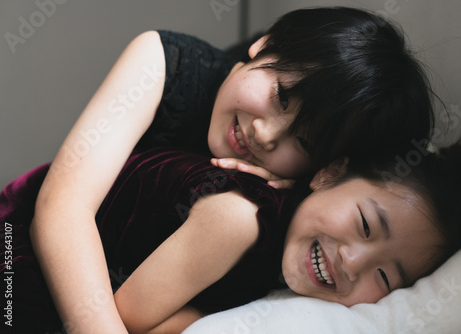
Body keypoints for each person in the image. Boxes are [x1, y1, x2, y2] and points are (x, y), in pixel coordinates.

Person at [27, 6, 437, 333]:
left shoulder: (299, 215)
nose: (265, 134)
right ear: (265, 44)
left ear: (325, 169)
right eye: (281, 96)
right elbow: (62, 209)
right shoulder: (161, 62)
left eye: (306, 143)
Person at [0, 139, 461, 333]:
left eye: (385, 276)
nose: (352, 260)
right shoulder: (240, 219)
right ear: (329, 172)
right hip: (20, 254)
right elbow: (123, 321)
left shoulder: (281, 262)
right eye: (366, 225)